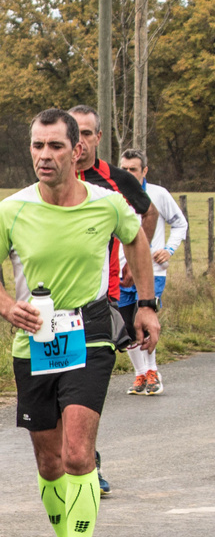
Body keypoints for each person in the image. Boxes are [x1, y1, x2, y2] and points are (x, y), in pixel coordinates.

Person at [0, 108, 157, 537]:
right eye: (36, 146)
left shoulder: (106, 203)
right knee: (49, 460)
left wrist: (145, 303)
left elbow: (137, 239)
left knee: (78, 453)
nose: (44, 156)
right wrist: (8, 306)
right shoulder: (11, 209)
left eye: (54, 146)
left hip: (90, 332)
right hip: (34, 339)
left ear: (77, 150)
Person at [68, 105, 156, 498]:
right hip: (55, 302)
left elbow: (147, 215)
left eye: (88, 133)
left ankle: (88, 460)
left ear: (98, 138)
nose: (81, 142)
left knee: (86, 383)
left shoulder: (114, 179)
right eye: (76, 133)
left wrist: (139, 263)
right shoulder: (52, 176)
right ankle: (78, 454)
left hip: (106, 299)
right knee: (59, 386)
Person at [118, 148, 187, 395]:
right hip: (120, 272)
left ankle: (152, 372)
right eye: (123, 169)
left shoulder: (158, 194)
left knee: (144, 320)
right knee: (126, 327)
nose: (127, 174)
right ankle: (139, 375)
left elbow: (180, 223)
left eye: (133, 169)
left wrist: (168, 249)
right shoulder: (110, 194)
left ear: (144, 170)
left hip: (152, 270)